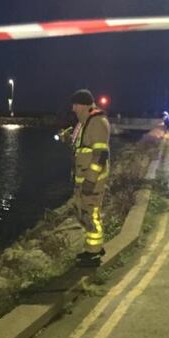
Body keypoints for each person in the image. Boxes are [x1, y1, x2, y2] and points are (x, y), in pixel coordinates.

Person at [68, 89, 111, 267]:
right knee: (83, 212)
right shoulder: (86, 123)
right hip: (83, 179)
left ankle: (93, 253)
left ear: (84, 105)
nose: (73, 109)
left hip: (92, 181)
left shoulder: (97, 123)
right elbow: (83, 147)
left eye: (75, 105)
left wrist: (91, 179)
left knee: (91, 213)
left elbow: (101, 154)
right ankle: (93, 247)